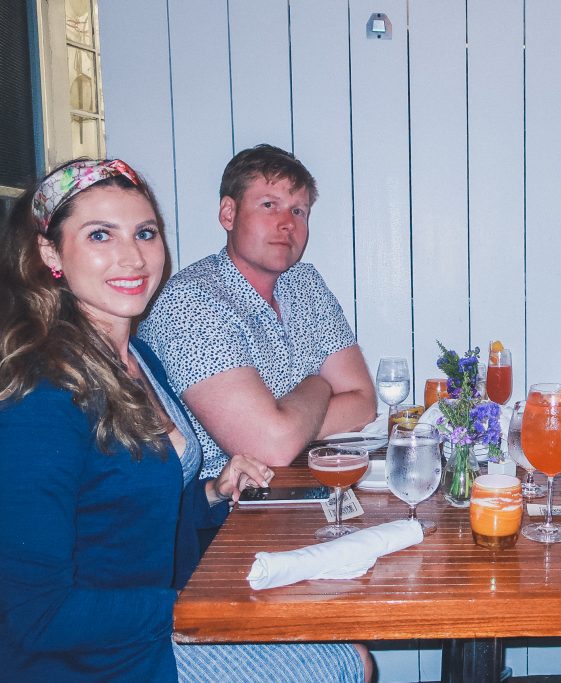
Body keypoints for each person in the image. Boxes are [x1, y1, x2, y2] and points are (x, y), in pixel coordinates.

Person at [0, 159, 370, 681]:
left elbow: (129, 513)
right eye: (100, 235)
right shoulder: (40, 395)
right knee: (347, 663)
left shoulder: (138, 361)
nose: (132, 257)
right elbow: (32, 616)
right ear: (50, 252)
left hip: (152, 620)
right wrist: (193, 607)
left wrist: (213, 491)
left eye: (145, 233)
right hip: (98, 660)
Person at [139, 144, 376, 479]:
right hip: (218, 511)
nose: (287, 224)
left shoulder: (305, 283)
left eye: (298, 212)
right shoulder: (191, 301)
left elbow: (363, 402)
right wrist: (319, 384)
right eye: (269, 205)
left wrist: (287, 423)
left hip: (297, 486)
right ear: (228, 214)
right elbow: (270, 447)